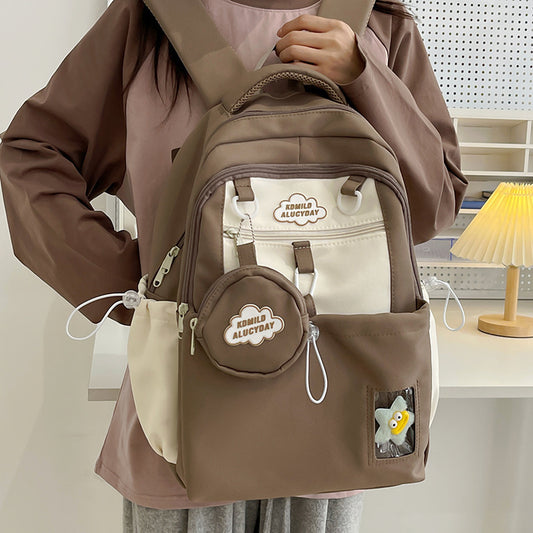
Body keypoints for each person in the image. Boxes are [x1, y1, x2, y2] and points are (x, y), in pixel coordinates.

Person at [0, 0, 467, 531]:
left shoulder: (376, 24)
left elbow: (432, 205)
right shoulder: (149, 19)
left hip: (332, 427)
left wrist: (365, 76)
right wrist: (136, 286)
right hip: (187, 420)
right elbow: (32, 156)